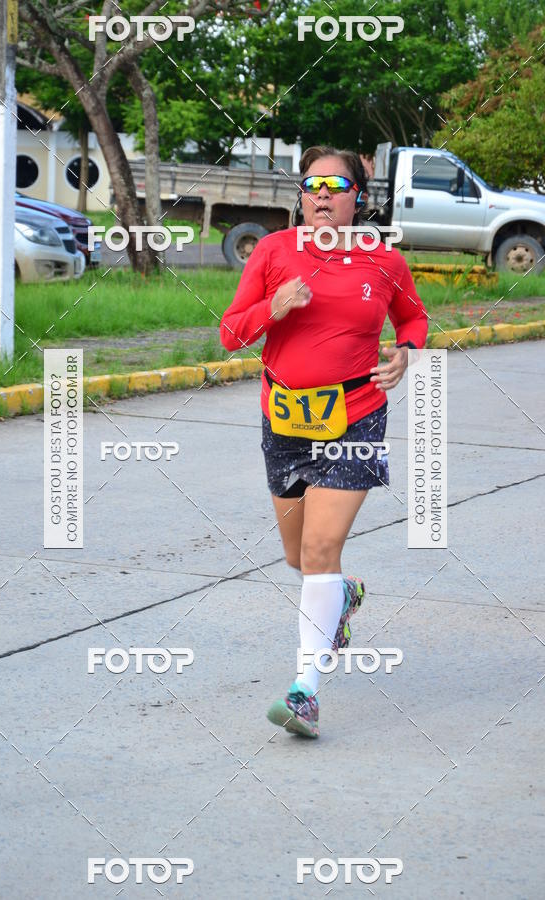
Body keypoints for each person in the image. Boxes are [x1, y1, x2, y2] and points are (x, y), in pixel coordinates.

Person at [219, 145, 428, 738]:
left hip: (355, 414)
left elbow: (413, 319)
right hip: (284, 419)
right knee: (298, 556)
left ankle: (305, 692)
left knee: (318, 553)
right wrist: (272, 306)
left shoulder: (383, 262)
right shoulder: (273, 251)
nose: (322, 194)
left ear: (358, 196)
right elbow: (230, 334)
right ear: (302, 195)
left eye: (336, 185)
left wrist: (405, 354)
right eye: (312, 185)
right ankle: (344, 595)